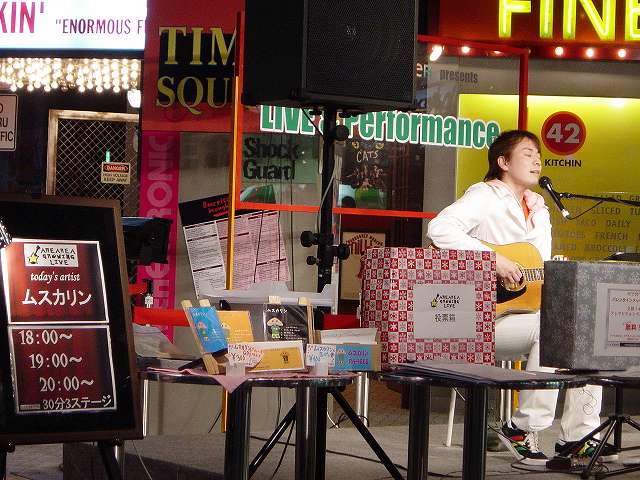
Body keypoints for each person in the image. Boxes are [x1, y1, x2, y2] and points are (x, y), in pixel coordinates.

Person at [427, 130, 615, 466]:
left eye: (538, 155)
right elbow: (440, 230)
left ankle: (579, 437)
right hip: (482, 318)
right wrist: (494, 260)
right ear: (503, 162)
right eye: (527, 154)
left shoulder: (540, 209)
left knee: (583, 330)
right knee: (553, 329)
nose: (537, 160)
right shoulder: (484, 195)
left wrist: (558, 274)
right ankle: (521, 428)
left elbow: (536, 266)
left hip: (524, 312)